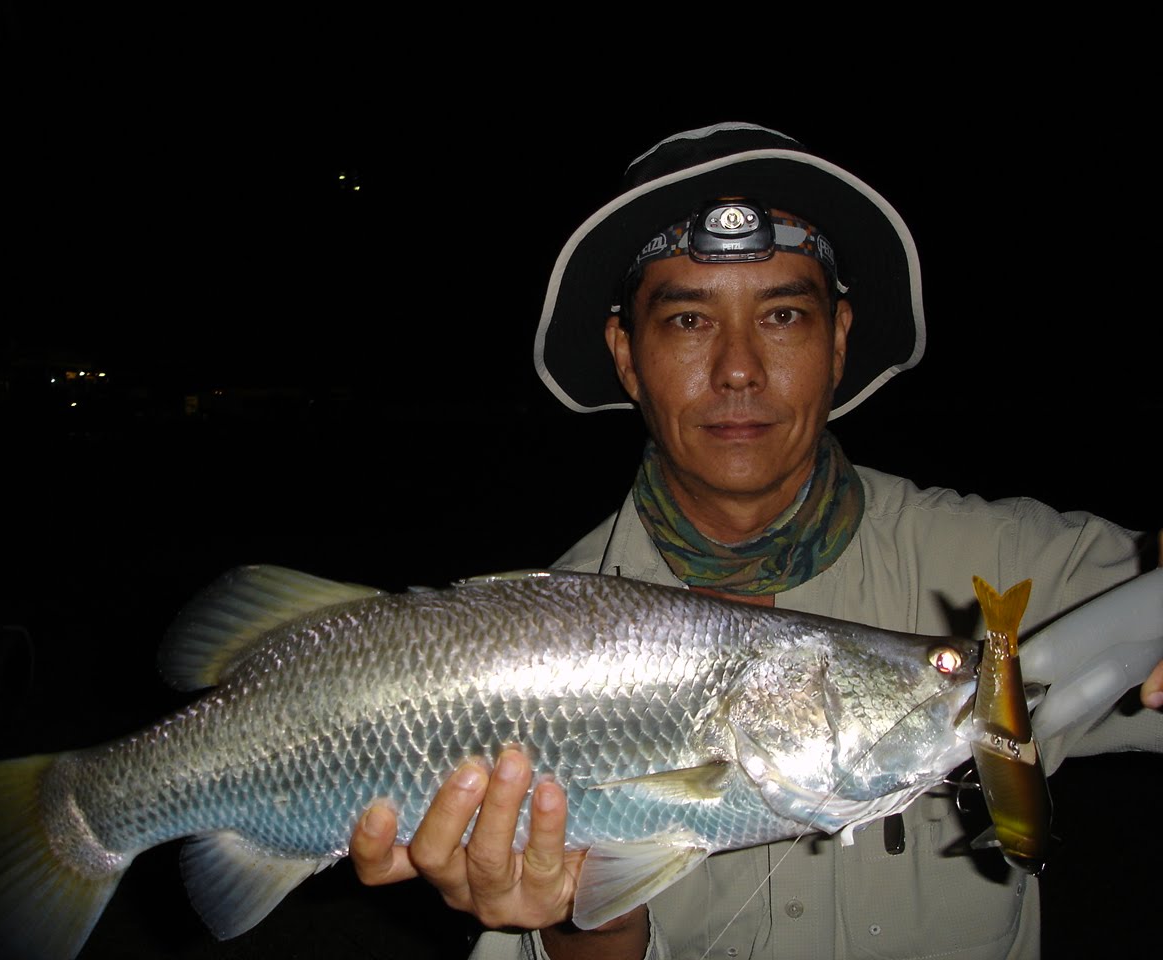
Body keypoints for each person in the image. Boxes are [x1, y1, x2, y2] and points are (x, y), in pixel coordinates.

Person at [350, 123, 1163, 959]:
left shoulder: (1022, 572)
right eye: (689, 320)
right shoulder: (521, 653)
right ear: (628, 357)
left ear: (838, 339)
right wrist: (574, 910)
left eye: (781, 313)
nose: (739, 367)